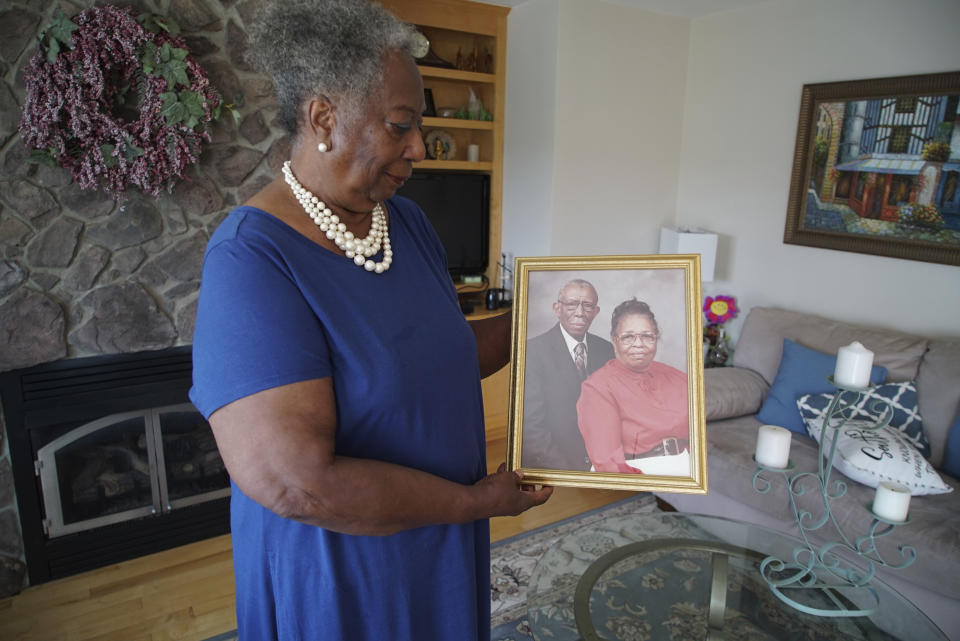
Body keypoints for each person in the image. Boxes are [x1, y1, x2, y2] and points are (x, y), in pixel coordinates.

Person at [188, 2, 552, 640]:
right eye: (399, 124)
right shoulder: (251, 258)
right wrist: (472, 504)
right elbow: (299, 485)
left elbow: (437, 355)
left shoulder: (405, 222)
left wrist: (546, 319)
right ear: (323, 117)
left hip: (437, 541)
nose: (419, 146)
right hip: (345, 569)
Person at [577, 298, 689, 474]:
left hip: (685, 463)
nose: (638, 344)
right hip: (638, 470)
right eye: (628, 337)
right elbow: (608, 463)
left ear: (656, 338)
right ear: (614, 341)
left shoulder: (677, 377)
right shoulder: (597, 388)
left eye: (646, 336)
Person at [521, 279, 615, 470]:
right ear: (557, 308)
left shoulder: (606, 350)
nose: (580, 312)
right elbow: (532, 430)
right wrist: (571, 474)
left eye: (587, 305)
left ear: (596, 312)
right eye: (572, 304)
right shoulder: (532, 351)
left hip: (599, 463)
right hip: (554, 465)